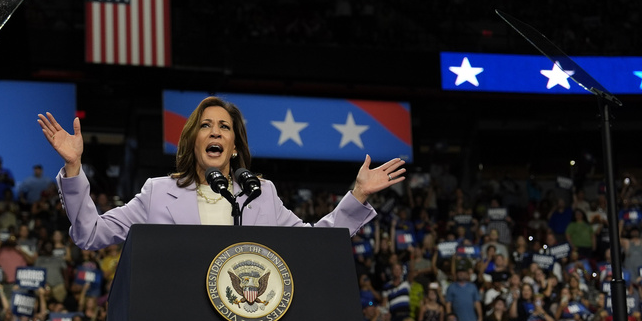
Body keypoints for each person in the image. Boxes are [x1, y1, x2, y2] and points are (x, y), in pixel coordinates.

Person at [37, 96, 406, 249]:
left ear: (233, 145)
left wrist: (357, 196)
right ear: (193, 140)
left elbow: (315, 246)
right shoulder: (157, 193)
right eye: (206, 126)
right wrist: (73, 167)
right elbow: (89, 234)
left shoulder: (261, 194)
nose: (215, 132)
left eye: (224, 127)